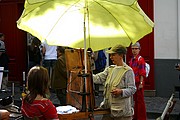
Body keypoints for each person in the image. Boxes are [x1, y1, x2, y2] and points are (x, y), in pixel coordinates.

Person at [93, 44, 136, 120]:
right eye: (110, 55)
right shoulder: (110, 69)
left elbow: (132, 89)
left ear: (121, 56)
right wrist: (87, 73)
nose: (111, 57)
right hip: (108, 110)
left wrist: (121, 91)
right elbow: (97, 78)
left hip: (122, 113)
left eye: (113, 55)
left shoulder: (128, 71)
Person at [129, 42, 147, 120]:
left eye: (136, 49)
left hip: (138, 83)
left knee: (140, 101)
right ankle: (135, 116)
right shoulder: (132, 60)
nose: (134, 50)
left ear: (139, 49)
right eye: (133, 49)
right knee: (135, 100)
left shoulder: (141, 60)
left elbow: (142, 73)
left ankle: (141, 118)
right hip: (133, 83)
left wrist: (141, 83)